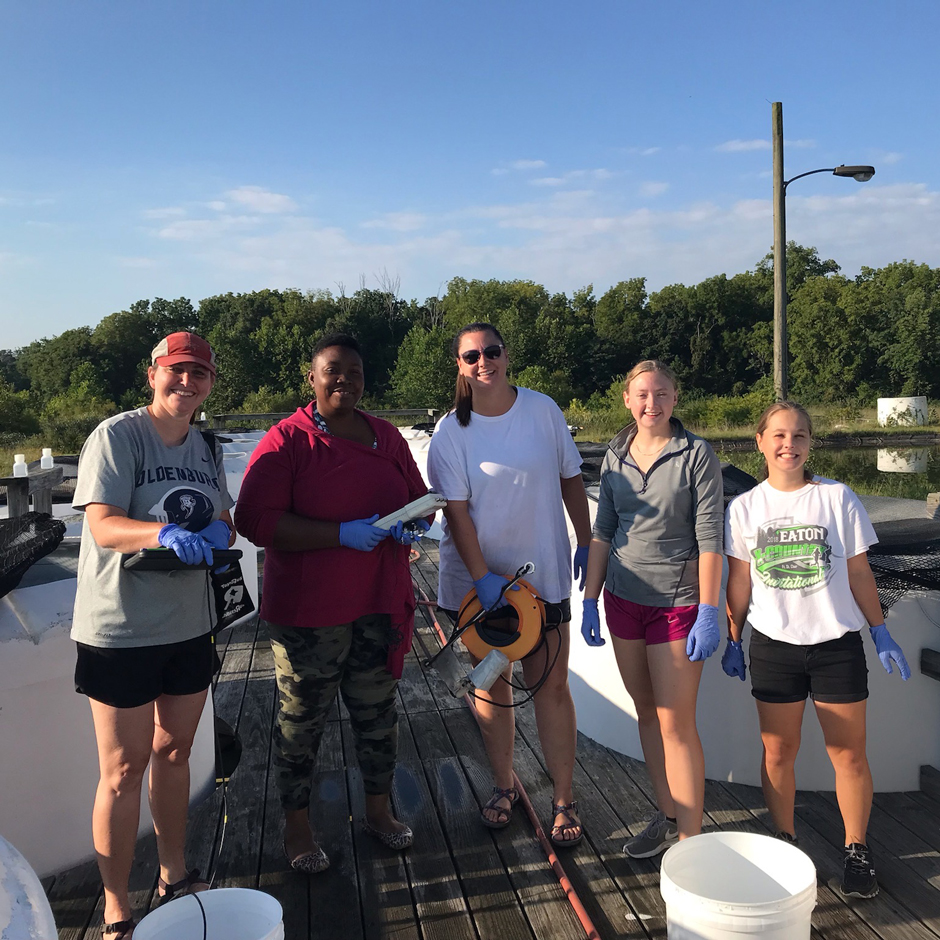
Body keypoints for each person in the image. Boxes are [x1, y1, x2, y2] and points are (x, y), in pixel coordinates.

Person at [234, 333, 430, 875]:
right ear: (312, 378)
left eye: (355, 371)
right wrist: (338, 533)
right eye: (332, 369)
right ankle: (297, 827)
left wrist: (417, 517)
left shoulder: (385, 436)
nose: (344, 379)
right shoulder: (286, 441)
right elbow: (253, 520)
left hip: (377, 601)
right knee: (301, 724)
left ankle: (378, 812)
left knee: (378, 716)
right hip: (307, 616)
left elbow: (418, 497)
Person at [71, 332, 235, 940]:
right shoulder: (118, 436)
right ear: (153, 375)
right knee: (121, 769)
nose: (186, 382)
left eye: (199, 373)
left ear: (211, 383)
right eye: (177, 370)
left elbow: (221, 514)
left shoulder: (207, 445)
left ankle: (176, 873)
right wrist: (160, 534)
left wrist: (220, 532)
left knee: (175, 752)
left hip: (190, 626)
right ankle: (116, 906)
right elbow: (103, 524)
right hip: (120, 629)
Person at [722, 401, 909, 899]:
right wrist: (733, 637)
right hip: (773, 647)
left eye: (800, 435)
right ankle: (783, 841)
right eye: (779, 435)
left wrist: (879, 631)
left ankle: (856, 849)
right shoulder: (743, 508)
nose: (790, 444)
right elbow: (739, 581)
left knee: (848, 753)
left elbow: (858, 572)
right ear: (759, 442)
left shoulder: (838, 498)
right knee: (778, 751)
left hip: (836, 646)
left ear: (811, 443)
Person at [427, 322, 592, 847]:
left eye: (492, 351)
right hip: (478, 594)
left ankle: (563, 799)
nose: (483, 362)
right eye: (471, 355)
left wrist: (586, 542)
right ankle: (504, 788)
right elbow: (456, 512)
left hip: (544, 580)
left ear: (505, 353)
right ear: (459, 364)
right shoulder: (451, 431)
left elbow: (571, 478)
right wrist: (483, 578)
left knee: (552, 688)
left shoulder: (543, 410)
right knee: (490, 689)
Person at [580, 360, 723, 857]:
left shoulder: (696, 454)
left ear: (675, 398)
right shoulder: (614, 456)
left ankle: (692, 845)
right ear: (626, 399)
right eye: (642, 394)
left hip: (677, 605)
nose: (651, 403)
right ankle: (666, 816)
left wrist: (709, 609)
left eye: (661, 394)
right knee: (646, 713)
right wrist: (590, 599)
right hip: (622, 600)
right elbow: (603, 531)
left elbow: (710, 539)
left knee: (676, 723)